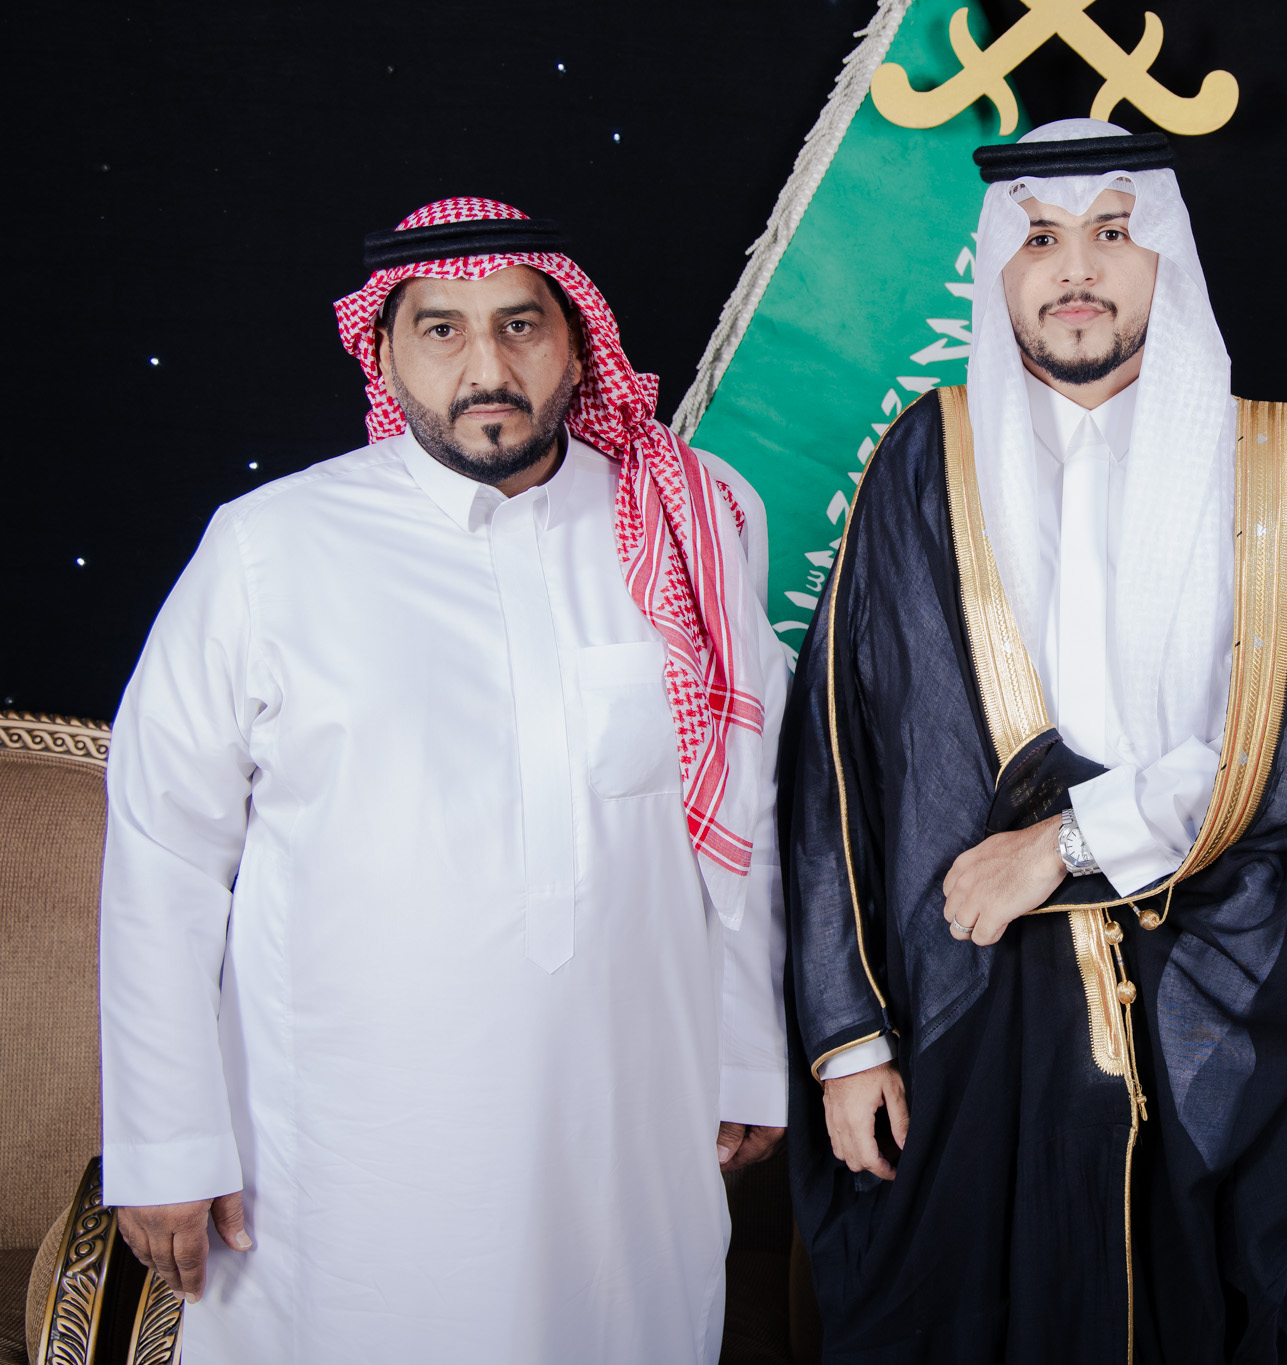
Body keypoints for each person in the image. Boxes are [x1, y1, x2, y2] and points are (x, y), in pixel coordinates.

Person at [99, 197, 790, 1363]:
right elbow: (163, 855)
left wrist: (745, 1054)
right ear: (381, 351)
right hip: (342, 1146)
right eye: (441, 330)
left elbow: (746, 808)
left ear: (578, 343)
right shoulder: (271, 548)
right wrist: (166, 1139)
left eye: (521, 325)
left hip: (623, 1123)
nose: (487, 369)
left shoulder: (689, 527)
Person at [780, 118, 1287, 1364]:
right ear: (996, 272)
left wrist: (1061, 844)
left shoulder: (1267, 465)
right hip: (969, 1018)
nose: (1075, 268)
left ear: (1161, 251)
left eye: (1111, 232)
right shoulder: (923, 464)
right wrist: (846, 1039)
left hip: (1217, 1014)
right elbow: (835, 765)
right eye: (1039, 240)